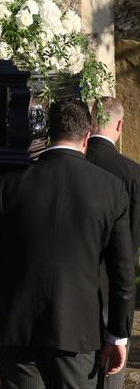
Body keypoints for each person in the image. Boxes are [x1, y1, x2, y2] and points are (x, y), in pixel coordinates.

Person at [0, 98, 136, 389]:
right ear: (86, 137)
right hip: (78, 329)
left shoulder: (10, 182)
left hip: (18, 326)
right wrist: (117, 335)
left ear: (46, 135)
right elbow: (123, 273)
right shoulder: (111, 189)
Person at [86, 96, 140, 389]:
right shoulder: (133, 174)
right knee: (111, 377)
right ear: (120, 124)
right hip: (115, 283)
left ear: (92, 121)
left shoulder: (75, 161)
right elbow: (132, 239)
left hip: (76, 282)